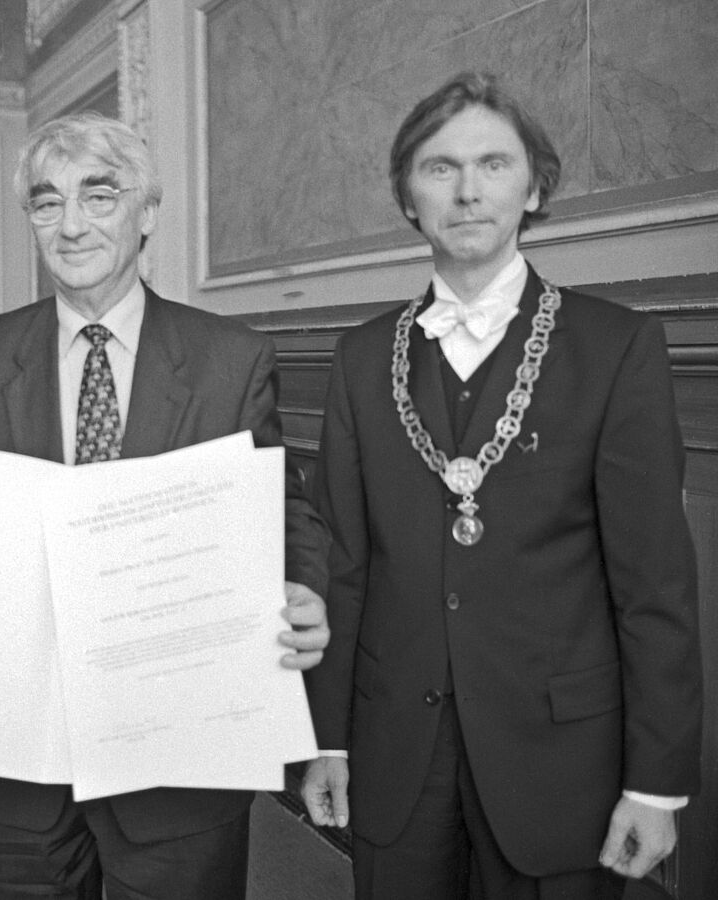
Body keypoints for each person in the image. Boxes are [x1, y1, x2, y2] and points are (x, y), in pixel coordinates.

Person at [0, 111, 331, 900]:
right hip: (15, 760)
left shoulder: (230, 357)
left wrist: (308, 589)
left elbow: (278, 510)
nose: (72, 223)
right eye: (48, 203)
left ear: (147, 212)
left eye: (100, 194)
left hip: (178, 752)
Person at [300, 71, 701, 898]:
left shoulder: (615, 347)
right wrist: (326, 738)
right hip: (393, 751)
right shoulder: (359, 356)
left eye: (493, 164)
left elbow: (654, 583)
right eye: (440, 168)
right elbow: (341, 566)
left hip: (563, 759)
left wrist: (656, 782)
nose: (469, 190)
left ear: (534, 186)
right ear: (409, 196)